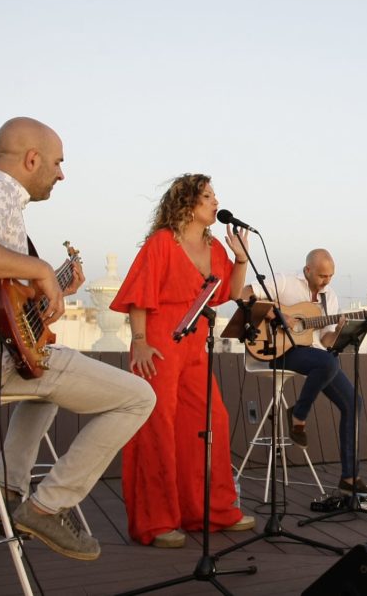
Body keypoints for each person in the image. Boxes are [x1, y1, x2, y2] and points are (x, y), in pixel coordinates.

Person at [0, 117, 156, 561]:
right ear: (31, 159)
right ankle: (48, 507)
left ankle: (3, 491)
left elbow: (0, 305)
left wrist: (55, 287)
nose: (61, 174)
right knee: (138, 397)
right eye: (58, 163)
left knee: (43, 380)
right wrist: (42, 270)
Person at [110, 174, 253, 548]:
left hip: (195, 347)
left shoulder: (213, 248)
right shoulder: (161, 243)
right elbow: (140, 295)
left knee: (211, 422)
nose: (215, 200)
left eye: (214, 194)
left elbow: (232, 293)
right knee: (159, 428)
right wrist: (139, 341)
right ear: (188, 203)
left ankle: (212, 510)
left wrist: (240, 258)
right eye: (207, 195)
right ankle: (158, 522)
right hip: (159, 342)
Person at [248, 249, 367, 494]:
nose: (327, 280)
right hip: (278, 349)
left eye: (331, 276)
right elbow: (246, 295)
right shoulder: (285, 281)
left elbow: (326, 341)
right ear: (308, 269)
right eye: (323, 275)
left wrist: (341, 331)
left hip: (314, 354)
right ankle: (299, 416)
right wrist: (279, 315)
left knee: (353, 402)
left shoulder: (329, 297)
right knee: (327, 363)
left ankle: (350, 478)